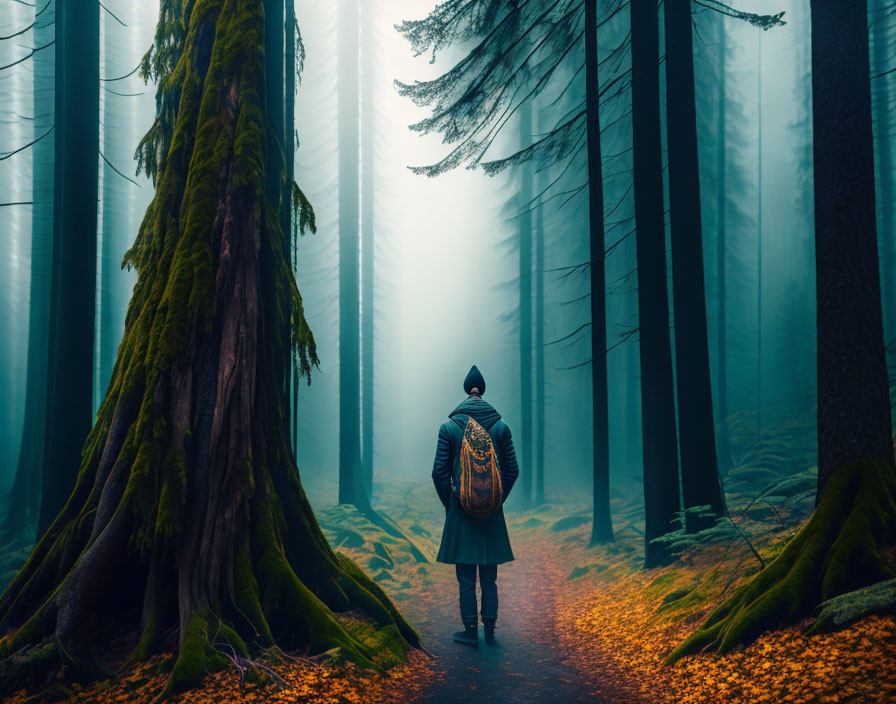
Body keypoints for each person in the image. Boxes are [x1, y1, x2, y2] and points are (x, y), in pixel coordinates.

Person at [431, 365, 520, 647]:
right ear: (483, 391)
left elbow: (438, 473)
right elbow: (513, 470)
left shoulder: (449, 428)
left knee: (466, 578)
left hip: (461, 511)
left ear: (465, 391)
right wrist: (496, 499)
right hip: (492, 515)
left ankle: (470, 631)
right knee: (490, 578)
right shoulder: (501, 427)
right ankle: (490, 630)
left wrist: (452, 505)